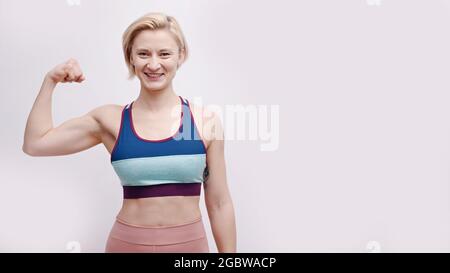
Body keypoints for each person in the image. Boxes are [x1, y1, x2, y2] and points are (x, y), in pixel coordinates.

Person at [22, 12, 236, 253]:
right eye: (143, 53)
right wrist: (50, 81)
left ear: (180, 56)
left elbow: (219, 203)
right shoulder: (110, 120)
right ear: (130, 58)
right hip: (126, 245)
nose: (153, 64)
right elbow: (35, 144)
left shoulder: (205, 122)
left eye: (164, 53)